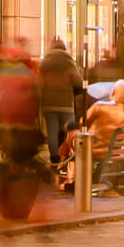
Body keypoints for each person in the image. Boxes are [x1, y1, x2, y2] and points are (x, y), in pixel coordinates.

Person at [36, 39, 84, 170]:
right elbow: (78, 83)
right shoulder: (69, 62)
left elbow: (39, 83)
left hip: (49, 103)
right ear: (64, 48)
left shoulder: (44, 63)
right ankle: (67, 157)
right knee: (69, 130)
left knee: (52, 132)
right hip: (66, 104)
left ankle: (54, 159)